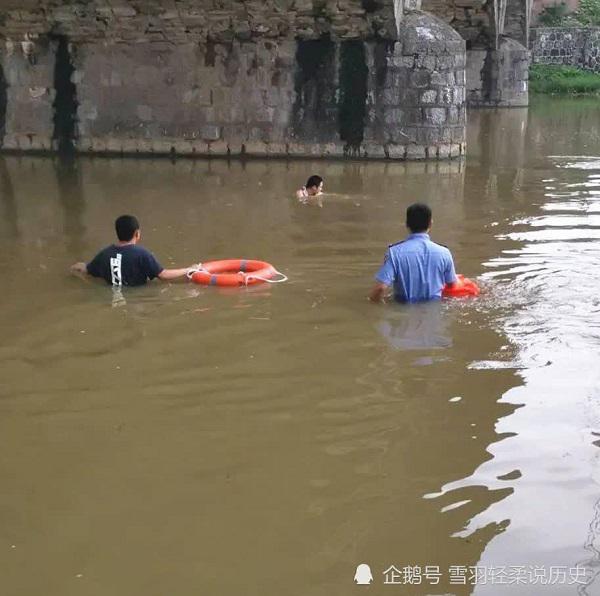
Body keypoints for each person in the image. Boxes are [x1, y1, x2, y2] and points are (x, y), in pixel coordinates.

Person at [70, 214, 199, 286]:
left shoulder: (104, 254)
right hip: (137, 297)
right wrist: (189, 269)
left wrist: (73, 268)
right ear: (137, 233)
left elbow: (85, 269)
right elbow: (163, 275)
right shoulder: (142, 254)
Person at [369, 203, 457, 303]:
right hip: (433, 311)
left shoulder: (394, 253)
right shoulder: (444, 253)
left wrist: (372, 302)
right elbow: (451, 285)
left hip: (403, 309)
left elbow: (380, 288)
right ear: (430, 223)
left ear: (407, 224)